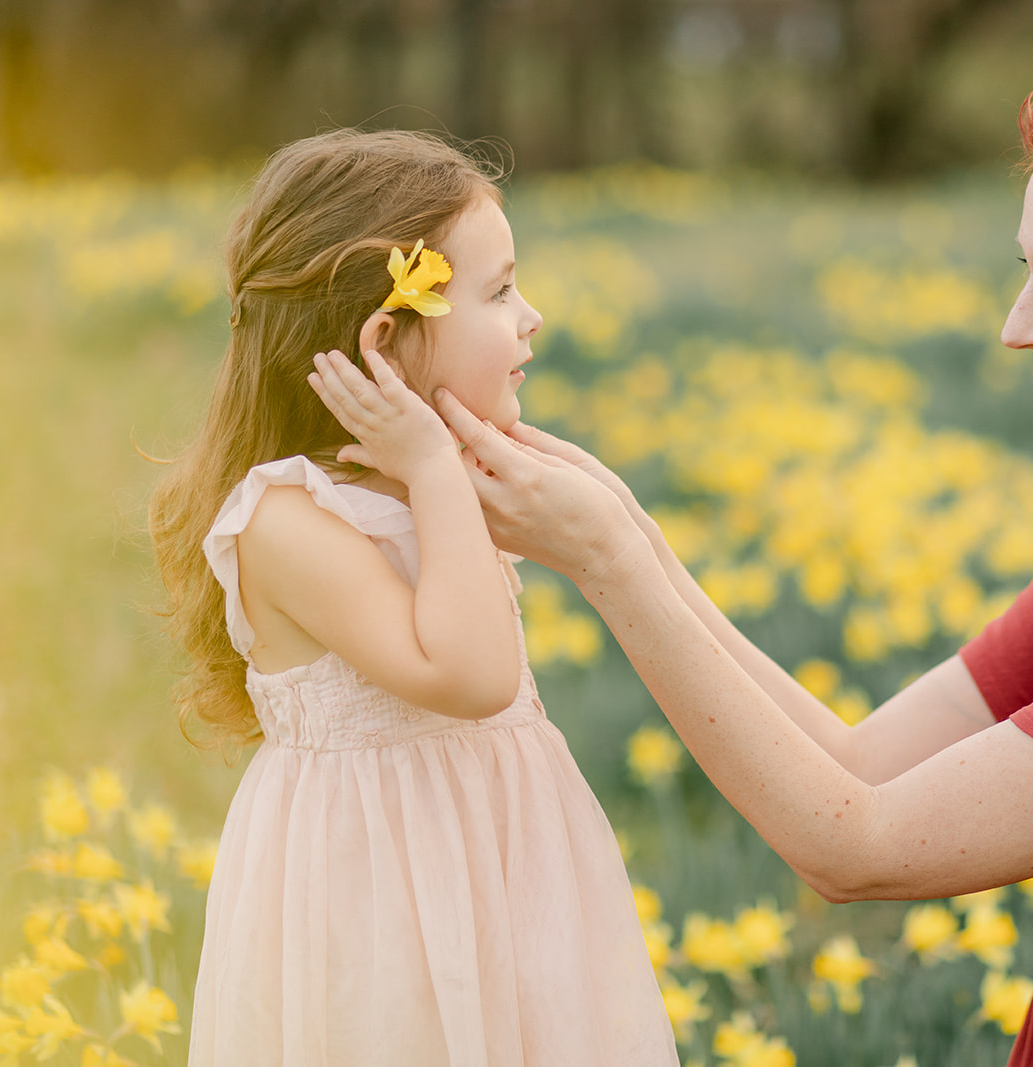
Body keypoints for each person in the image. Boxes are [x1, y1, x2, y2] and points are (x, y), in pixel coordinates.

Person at [332, 38, 1033, 1065]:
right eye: (1023, 272)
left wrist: (612, 561)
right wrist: (625, 529)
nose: (1015, 324)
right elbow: (861, 763)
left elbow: (855, 843)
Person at [149, 129, 678, 1067]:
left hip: (500, 870)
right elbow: (470, 674)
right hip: (383, 906)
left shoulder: (431, 487)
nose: (533, 318)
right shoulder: (284, 521)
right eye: (502, 289)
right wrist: (436, 470)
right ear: (384, 341)